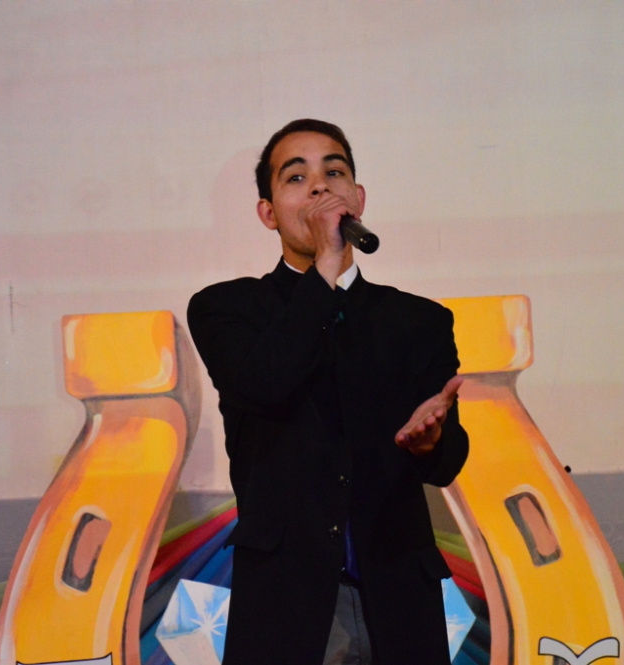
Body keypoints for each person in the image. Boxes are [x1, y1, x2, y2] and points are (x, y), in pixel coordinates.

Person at [187, 119, 469, 665]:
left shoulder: (419, 321)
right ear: (268, 213)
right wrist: (324, 267)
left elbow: (447, 462)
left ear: (357, 199)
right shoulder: (227, 309)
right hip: (285, 605)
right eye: (296, 177)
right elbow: (265, 384)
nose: (319, 186)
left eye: (333, 173)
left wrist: (431, 443)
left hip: (398, 598)